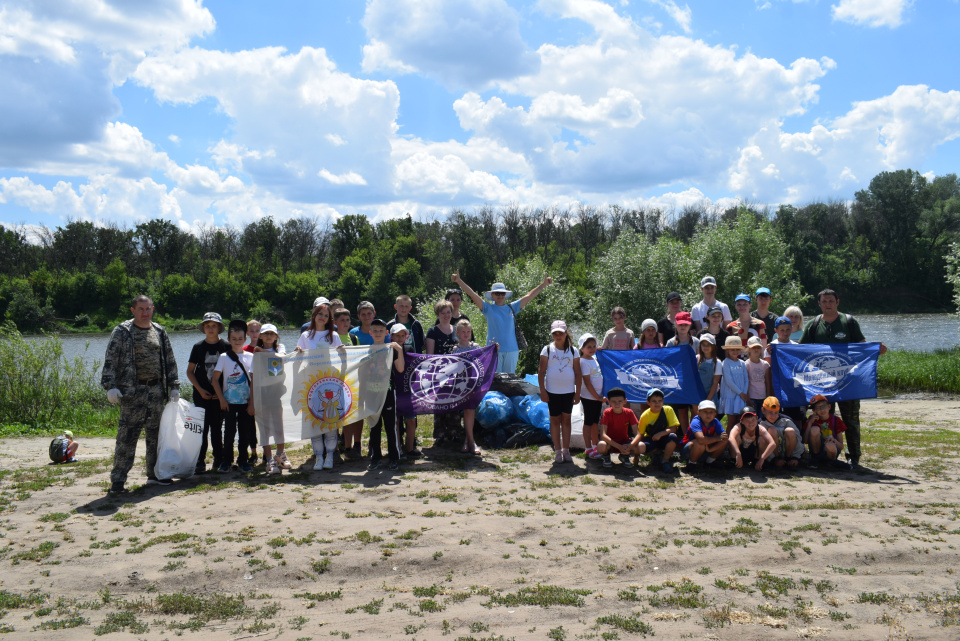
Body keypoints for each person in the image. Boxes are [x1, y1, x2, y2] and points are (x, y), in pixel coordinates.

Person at [799, 288, 887, 468]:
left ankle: (854, 457)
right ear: (819, 303)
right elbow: (799, 351)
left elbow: (862, 347)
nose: (828, 304)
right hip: (822, 384)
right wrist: (777, 350)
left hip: (848, 383)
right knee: (823, 420)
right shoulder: (813, 324)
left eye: (831, 301)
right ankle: (826, 455)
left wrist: (875, 349)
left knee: (851, 421)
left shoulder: (849, 322)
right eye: (824, 301)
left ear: (837, 302)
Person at [102, 295, 180, 495]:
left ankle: (154, 475)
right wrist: (110, 386)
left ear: (153, 309)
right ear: (133, 310)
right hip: (131, 393)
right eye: (141, 309)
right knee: (126, 438)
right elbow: (111, 360)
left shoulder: (160, 331)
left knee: (156, 437)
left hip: (156, 392)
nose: (145, 313)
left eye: (148, 309)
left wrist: (174, 386)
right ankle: (118, 481)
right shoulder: (122, 332)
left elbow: (170, 360)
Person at [453, 270, 552, 374]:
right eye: (497, 293)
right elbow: (472, 294)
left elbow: (529, 296)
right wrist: (459, 281)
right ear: (492, 295)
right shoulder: (487, 308)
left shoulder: (512, 307)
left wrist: (544, 284)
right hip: (493, 349)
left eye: (502, 293)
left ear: (505, 294)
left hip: (512, 349)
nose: (500, 295)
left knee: (509, 380)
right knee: (496, 379)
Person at [297, 301, 344, 469]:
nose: (323, 318)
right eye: (320, 314)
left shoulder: (334, 336)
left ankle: (330, 455)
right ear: (314, 315)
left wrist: (343, 352)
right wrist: (298, 353)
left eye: (326, 315)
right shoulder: (305, 336)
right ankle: (318, 456)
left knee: (330, 419)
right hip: (311, 382)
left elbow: (340, 359)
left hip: (329, 381)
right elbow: (298, 359)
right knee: (314, 419)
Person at [186, 312, 229, 475]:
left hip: (220, 396)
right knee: (201, 430)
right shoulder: (198, 347)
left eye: (214, 326)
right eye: (207, 326)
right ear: (203, 328)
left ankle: (219, 459)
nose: (211, 329)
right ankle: (200, 460)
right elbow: (190, 371)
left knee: (217, 429)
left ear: (219, 328)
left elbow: (232, 372)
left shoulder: (226, 347)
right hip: (201, 395)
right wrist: (199, 389)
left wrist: (222, 393)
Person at [212, 320, 256, 473]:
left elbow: (254, 382)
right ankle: (226, 460)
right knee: (229, 433)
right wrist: (222, 399)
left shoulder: (251, 357)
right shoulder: (224, 357)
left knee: (245, 432)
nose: (237, 341)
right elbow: (215, 380)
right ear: (229, 339)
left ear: (245, 339)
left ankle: (243, 460)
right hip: (229, 402)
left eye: (240, 339)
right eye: (234, 339)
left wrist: (252, 403)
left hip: (246, 402)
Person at [387, 295, 425, 457]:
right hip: (393, 379)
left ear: (410, 308)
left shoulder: (416, 325)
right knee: (395, 416)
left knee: (411, 415)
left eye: (406, 306)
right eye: (400, 306)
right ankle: (397, 446)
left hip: (412, 375)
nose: (403, 308)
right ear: (396, 307)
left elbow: (421, 347)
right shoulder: (388, 325)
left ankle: (410, 445)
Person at [539, 321, 581, 464]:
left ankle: (566, 450)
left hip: (569, 391)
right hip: (552, 391)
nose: (558, 336)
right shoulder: (547, 349)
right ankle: (557, 451)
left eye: (560, 333)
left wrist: (578, 392)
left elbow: (578, 372)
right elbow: (541, 372)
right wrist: (542, 391)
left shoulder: (573, 350)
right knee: (555, 420)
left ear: (566, 333)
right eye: (555, 333)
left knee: (566, 420)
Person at [367, 319, 405, 471]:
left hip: (388, 392)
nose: (377, 333)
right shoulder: (366, 350)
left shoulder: (392, 349)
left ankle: (394, 458)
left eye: (380, 330)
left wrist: (400, 350)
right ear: (370, 332)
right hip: (371, 392)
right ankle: (375, 457)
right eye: (374, 330)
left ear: (386, 333)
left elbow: (400, 369)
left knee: (390, 427)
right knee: (374, 427)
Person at [253, 324, 291, 475]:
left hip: (277, 393)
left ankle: (280, 453)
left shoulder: (279, 348)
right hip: (263, 394)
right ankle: (269, 459)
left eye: (272, 333)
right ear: (260, 336)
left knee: (278, 425)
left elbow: (282, 357)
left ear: (276, 337)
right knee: (265, 427)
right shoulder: (256, 355)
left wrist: (263, 351)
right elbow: (253, 377)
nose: (269, 336)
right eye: (265, 333)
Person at [427, 299, 461, 448]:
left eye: (448, 312)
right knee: (440, 404)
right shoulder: (433, 331)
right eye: (443, 313)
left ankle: (454, 432)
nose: (446, 315)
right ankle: (440, 434)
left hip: (456, 374)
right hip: (439, 374)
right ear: (438, 314)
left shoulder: (457, 330)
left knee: (454, 403)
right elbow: (429, 355)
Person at [333, 308, 363, 459]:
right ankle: (336, 447)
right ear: (335, 323)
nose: (345, 323)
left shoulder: (354, 337)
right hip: (335, 381)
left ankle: (353, 447)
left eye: (348, 320)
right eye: (342, 321)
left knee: (353, 414)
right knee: (336, 415)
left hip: (352, 381)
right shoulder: (331, 338)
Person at [765, 316, 805, 426]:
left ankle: (797, 440)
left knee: (796, 417)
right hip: (778, 386)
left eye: (788, 329)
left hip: (793, 387)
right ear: (776, 331)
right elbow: (768, 370)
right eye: (781, 330)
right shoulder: (771, 347)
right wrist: (770, 390)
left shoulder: (796, 346)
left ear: (792, 329)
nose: (785, 332)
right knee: (778, 418)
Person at [453, 319, 482, 455]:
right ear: (458, 333)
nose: (466, 334)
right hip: (461, 385)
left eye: (468, 331)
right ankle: (470, 441)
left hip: (474, 383)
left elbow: (484, 361)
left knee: (470, 411)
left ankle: (469, 441)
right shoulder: (455, 349)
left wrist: (494, 349)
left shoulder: (476, 346)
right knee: (466, 411)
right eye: (463, 332)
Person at [635, 388, 681, 473]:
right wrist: (635, 456)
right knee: (640, 446)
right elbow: (640, 435)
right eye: (654, 401)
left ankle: (665, 461)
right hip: (650, 440)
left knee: (673, 437)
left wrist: (661, 433)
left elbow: (673, 429)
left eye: (660, 400)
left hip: (664, 438)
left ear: (663, 401)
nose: (657, 403)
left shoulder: (668, 410)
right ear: (648, 402)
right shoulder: (644, 416)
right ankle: (656, 453)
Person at [597, 387, 640, 468]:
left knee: (641, 446)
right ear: (609, 402)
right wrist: (619, 447)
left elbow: (638, 434)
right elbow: (603, 435)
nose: (617, 404)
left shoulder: (629, 412)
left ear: (625, 401)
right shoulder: (607, 413)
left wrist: (630, 446)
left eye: (620, 401)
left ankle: (624, 456)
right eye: (614, 401)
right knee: (601, 445)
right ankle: (606, 456)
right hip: (610, 443)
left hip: (624, 442)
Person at [576, 333, 604, 460]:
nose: (592, 349)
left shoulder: (594, 358)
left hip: (597, 397)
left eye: (594, 346)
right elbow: (587, 383)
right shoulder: (583, 362)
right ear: (582, 348)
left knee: (594, 422)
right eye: (589, 347)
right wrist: (597, 397)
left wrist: (599, 350)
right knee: (588, 422)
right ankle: (588, 448)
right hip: (589, 397)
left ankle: (595, 445)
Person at [759, 397, 804, 469]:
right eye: (770, 412)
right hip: (772, 454)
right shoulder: (760, 423)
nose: (773, 416)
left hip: (787, 450)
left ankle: (788, 458)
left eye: (776, 412)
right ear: (763, 410)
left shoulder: (787, 420)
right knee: (772, 430)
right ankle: (776, 459)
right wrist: (772, 459)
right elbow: (760, 444)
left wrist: (796, 457)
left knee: (790, 431)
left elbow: (798, 439)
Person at [727, 406, 776, 471]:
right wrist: (738, 453)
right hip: (740, 453)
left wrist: (762, 458)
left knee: (762, 439)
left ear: (757, 418)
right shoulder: (738, 427)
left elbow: (772, 443)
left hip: (754, 454)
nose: (751, 423)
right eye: (747, 420)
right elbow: (731, 438)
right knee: (735, 438)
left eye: (753, 420)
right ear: (742, 421)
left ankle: (757, 461)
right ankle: (733, 460)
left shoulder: (760, 429)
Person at [804, 393, 847, 467]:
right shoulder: (812, 419)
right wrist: (810, 424)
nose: (822, 410)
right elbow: (805, 441)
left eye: (823, 406)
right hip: (816, 449)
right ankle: (815, 459)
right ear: (814, 411)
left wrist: (834, 440)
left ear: (829, 406)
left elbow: (841, 446)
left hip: (831, 449)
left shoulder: (836, 420)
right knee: (814, 429)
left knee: (830, 445)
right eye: (818, 408)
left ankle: (832, 462)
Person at [680, 401, 727, 469]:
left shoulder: (715, 421)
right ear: (698, 413)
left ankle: (709, 462)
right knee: (699, 443)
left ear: (715, 414)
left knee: (724, 441)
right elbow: (701, 440)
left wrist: (710, 449)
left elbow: (724, 438)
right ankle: (691, 464)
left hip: (706, 449)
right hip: (688, 451)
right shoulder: (696, 421)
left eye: (711, 412)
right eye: (705, 411)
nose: (708, 415)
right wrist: (717, 438)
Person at [719, 336, 749, 431]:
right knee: (731, 422)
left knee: (739, 422)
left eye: (737, 349)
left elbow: (746, 379)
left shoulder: (742, 363)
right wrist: (740, 392)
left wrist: (744, 393)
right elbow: (729, 380)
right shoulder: (726, 363)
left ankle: (736, 442)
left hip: (741, 397)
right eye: (732, 349)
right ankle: (727, 444)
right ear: (727, 350)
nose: (735, 351)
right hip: (731, 395)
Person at [744, 336, 773, 410]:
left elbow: (768, 382)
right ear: (749, 349)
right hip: (752, 397)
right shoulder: (746, 364)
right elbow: (745, 383)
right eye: (753, 347)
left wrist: (768, 397)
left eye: (758, 347)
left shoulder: (765, 364)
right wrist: (748, 398)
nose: (756, 349)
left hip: (763, 397)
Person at [696, 334, 722, 410]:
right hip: (697, 393)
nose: (706, 347)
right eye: (703, 345)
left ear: (713, 346)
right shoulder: (696, 358)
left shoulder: (717, 362)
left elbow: (715, 383)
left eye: (708, 345)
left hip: (711, 394)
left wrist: (708, 399)